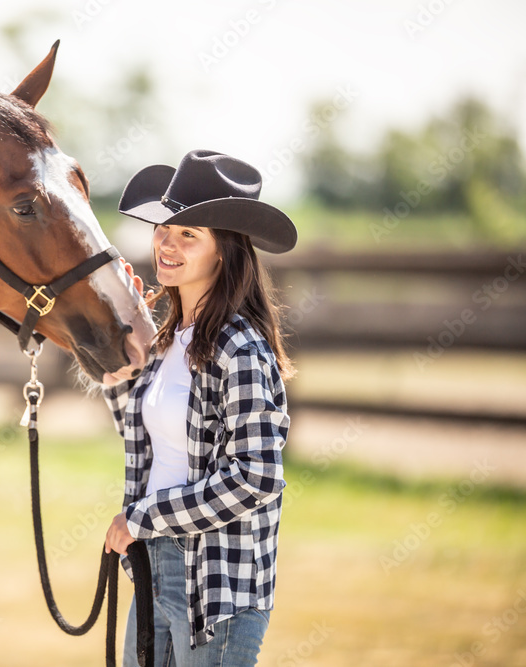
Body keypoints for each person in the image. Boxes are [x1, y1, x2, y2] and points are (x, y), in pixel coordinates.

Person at [102, 149, 297, 666]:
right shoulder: (170, 343)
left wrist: (144, 517)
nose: (168, 241)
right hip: (158, 564)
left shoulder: (240, 349)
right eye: (166, 226)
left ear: (224, 252)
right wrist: (120, 351)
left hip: (216, 582)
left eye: (190, 234)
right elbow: (148, 438)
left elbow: (256, 476)